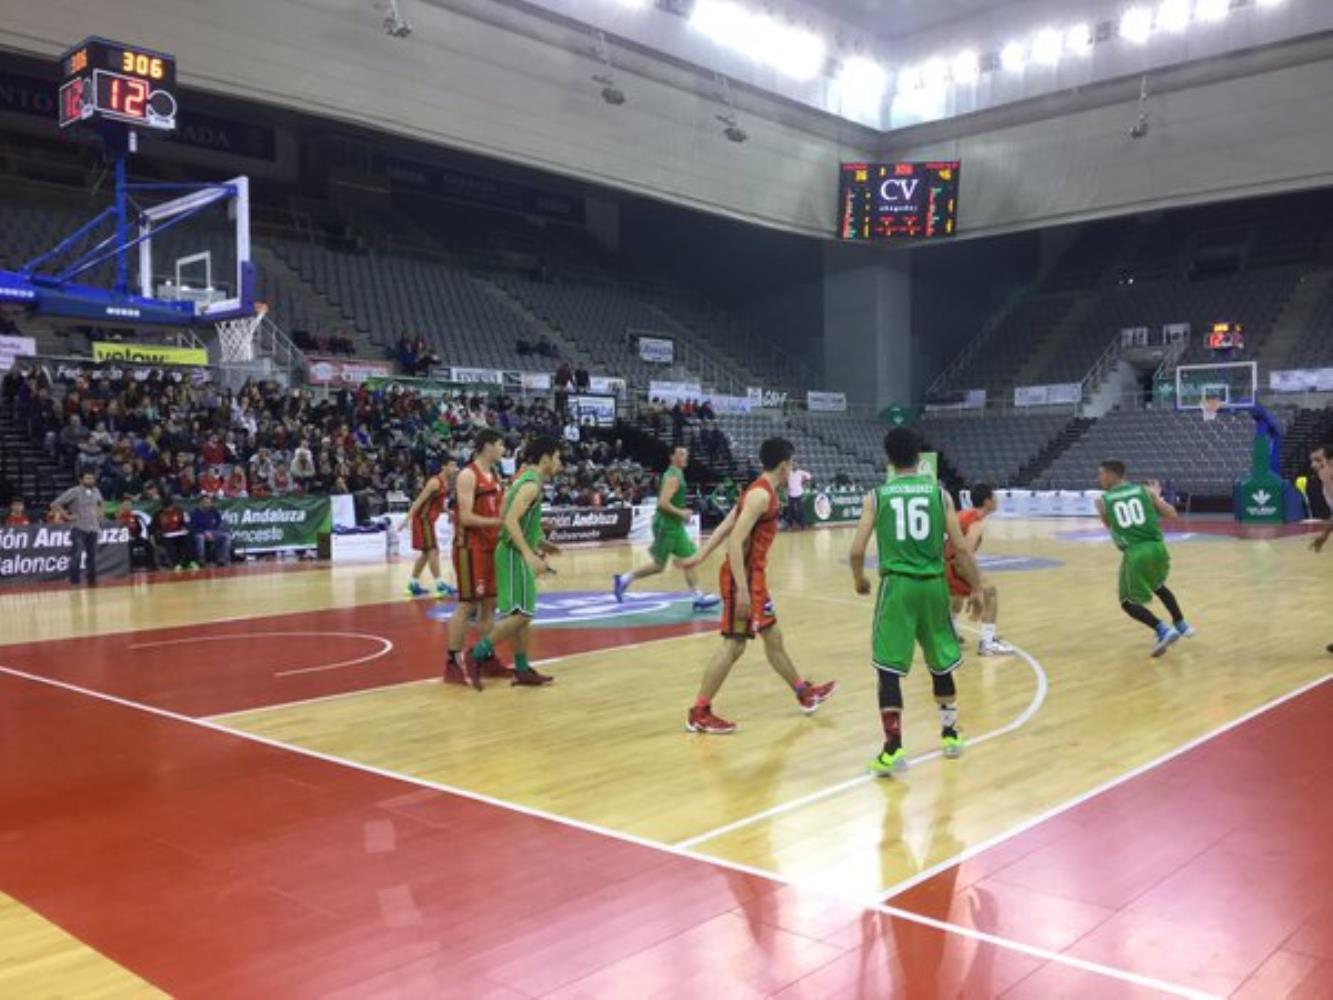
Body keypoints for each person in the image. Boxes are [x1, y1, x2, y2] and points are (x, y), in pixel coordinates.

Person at [849, 428, 985, 776]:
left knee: (888, 666)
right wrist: (977, 588)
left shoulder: (877, 496)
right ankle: (951, 734)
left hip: (898, 586)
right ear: (919, 457)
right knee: (940, 657)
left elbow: (856, 550)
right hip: (934, 586)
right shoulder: (940, 495)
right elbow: (960, 548)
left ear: (889, 458)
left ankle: (893, 748)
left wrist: (859, 578)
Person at [678, 438, 836, 734]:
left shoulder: (760, 491)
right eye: (793, 463)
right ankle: (699, 712)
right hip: (745, 579)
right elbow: (736, 541)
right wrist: (741, 590)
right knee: (734, 645)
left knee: (773, 637)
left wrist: (700, 554)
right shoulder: (760, 496)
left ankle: (804, 693)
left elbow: (728, 522)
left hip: (754, 579)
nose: (795, 467)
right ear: (785, 465)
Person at [465, 436, 564, 688]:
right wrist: (529, 554)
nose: (560, 463)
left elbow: (507, 515)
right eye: (558, 457)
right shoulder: (531, 484)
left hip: (511, 551)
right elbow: (508, 519)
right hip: (513, 553)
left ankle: (521, 669)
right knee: (521, 616)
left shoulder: (524, 479)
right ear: (545, 458)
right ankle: (475, 654)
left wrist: (540, 542)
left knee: (521, 615)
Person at [1095, 459, 1196, 656]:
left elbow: (1113, 530)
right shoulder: (1145, 491)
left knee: (1127, 602)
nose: (1099, 478)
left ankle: (1163, 629)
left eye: (1100, 474)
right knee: (1158, 585)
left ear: (1110, 474)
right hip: (1158, 549)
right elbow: (1173, 515)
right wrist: (1157, 498)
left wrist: (1103, 515)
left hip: (1136, 552)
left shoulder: (1103, 501)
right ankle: (1181, 624)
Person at [612, 445, 719, 611]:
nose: (685, 457)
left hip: (674, 525)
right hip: (666, 525)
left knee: (689, 558)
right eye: (681, 454)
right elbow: (662, 503)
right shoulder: (673, 477)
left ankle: (698, 597)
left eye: (686, 454)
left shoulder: (677, 473)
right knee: (659, 566)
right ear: (672, 457)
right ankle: (625, 579)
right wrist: (681, 512)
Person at [445, 430, 509, 688]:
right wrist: (499, 521)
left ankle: (485, 657)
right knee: (467, 604)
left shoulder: (494, 475)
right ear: (486, 447)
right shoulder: (468, 475)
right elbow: (466, 517)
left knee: (490, 605)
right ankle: (452, 662)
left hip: (491, 546)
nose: (504, 449)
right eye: (500, 444)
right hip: (469, 547)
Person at [945, 484, 1014, 657]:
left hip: (944, 563)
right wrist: (975, 583)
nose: (997, 500)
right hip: (956, 563)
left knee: (957, 595)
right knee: (989, 592)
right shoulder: (976, 522)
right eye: (994, 497)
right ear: (987, 502)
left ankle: (951, 633)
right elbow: (966, 552)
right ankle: (988, 643)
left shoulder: (962, 514)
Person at [405, 457, 459, 599]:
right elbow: (419, 500)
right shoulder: (435, 482)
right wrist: (407, 518)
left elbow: (438, 504)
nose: (454, 469)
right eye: (452, 465)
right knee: (433, 551)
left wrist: (448, 512)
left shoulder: (446, 483)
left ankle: (413, 584)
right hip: (423, 519)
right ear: (443, 466)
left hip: (428, 520)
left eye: (455, 466)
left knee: (425, 554)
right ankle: (440, 585)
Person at [52, 470, 104, 587]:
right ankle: (74, 581)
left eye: (92, 478)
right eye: (87, 478)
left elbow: (101, 503)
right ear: (81, 480)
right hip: (79, 528)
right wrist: (67, 516)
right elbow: (55, 504)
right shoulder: (74, 491)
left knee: (92, 555)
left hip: (93, 528)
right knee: (77, 555)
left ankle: (92, 581)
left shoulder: (96, 490)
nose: (90, 481)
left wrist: (100, 515)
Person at [1307, 441, 1333, 655]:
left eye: (1319, 461)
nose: (1314, 465)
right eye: (1313, 461)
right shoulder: (1326, 484)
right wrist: (1324, 536)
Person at [189, 494, 232, 568]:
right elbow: (193, 527)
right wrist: (205, 532)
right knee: (200, 538)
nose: (208, 504)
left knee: (226, 536)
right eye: (205, 502)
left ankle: (221, 559)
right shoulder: (195, 513)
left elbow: (218, 522)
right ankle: (201, 560)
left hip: (213, 532)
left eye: (209, 502)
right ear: (201, 503)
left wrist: (215, 530)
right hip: (200, 533)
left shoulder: (213, 511)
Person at [153, 496, 192, 571]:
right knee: (170, 544)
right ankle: (175, 564)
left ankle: (189, 562)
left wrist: (184, 527)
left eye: (170, 507)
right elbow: (154, 527)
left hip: (179, 533)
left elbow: (185, 523)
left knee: (189, 540)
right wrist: (159, 532)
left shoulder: (179, 511)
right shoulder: (158, 514)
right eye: (167, 508)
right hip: (166, 536)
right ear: (163, 507)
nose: (169, 509)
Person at [785, 461, 812, 530]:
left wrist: (804, 482)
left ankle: (802, 525)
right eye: (793, 465)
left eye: (795, 465)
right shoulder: (789, 472)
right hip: (790, 494)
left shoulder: (801, 472)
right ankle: (790, 525)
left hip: (799, 493)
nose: (794, 466)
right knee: (790, 510)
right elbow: (785, 480)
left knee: (800, 510)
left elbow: (809, 476)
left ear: (798, 466)